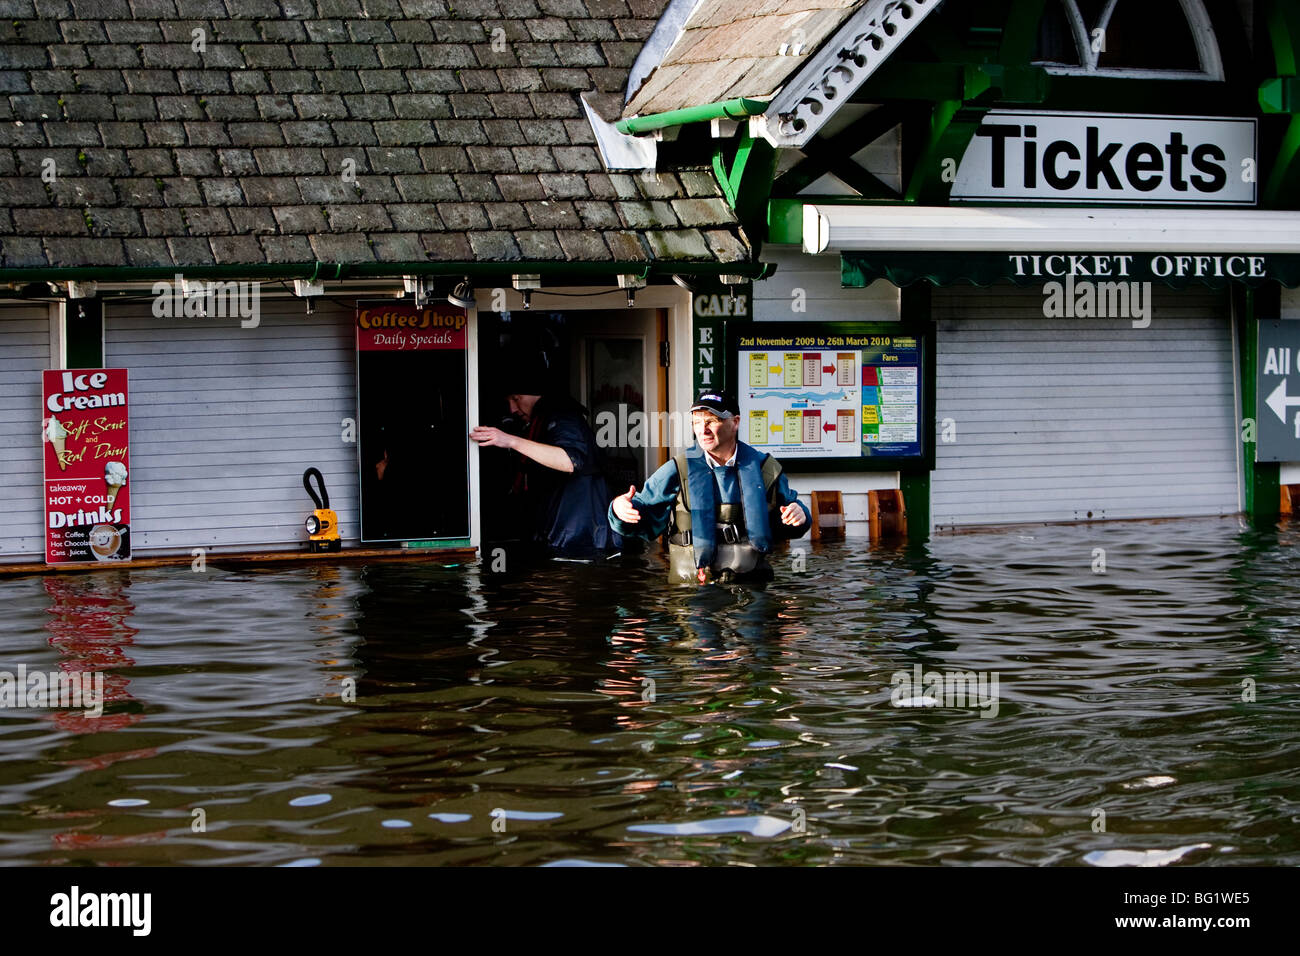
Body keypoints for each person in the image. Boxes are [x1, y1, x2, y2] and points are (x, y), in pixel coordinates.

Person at [609, 390, 810, 584]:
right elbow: (642, 518)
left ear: (735, 422)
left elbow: (791, 519)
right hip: (690, 594)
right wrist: (619, 509)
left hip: (751, 589)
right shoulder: (677, 470)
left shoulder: (766, 469)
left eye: (711, 421)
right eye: (696, 422)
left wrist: (799, 515)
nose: (702, 430)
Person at [470, 374, 619, 559]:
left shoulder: (563, 416)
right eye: (509, 401)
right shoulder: (539, 419)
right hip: (567, 532)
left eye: (517, 399)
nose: (512, 408)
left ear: (537, 394)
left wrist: (510, 441)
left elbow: (571, 460)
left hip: (582, 534)